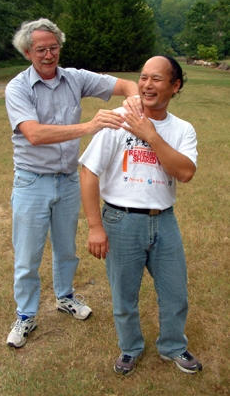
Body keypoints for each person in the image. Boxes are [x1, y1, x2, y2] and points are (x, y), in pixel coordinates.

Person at [5, 18, 141, 348]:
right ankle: (26, 315)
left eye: (54, 47)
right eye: (41, 49)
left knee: (67, 249)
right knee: (27, 256)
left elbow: (126, 85)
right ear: (27, 52)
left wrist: (136, 100)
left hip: (68, 182)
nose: (49, 55)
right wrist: (89, 126)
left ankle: (65, 296)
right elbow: (34, 134)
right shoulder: (18, 88)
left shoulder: (75, 78)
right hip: (31, 182)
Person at [79, 56, 203, 375]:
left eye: (157, 79)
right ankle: (130, 348)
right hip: (121, 221)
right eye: (143, 77)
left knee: (175, 292)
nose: (147, 85)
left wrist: (151, 135)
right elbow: (89, 171)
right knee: (124, 295)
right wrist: (95, 226)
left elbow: (185, 172)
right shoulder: (118, 119)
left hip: (163, 220)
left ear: (175, 86)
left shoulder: (182, 130)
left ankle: (173, 346)